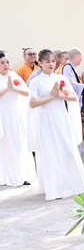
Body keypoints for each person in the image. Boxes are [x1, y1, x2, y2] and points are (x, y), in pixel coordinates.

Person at [29, 49, 84, 200]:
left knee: (67, 149)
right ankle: (54, 189)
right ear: (40, 63)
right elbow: (32, 103)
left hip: (61, 118)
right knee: (50, 153)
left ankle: (73, 185)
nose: (51, 64)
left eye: (53, 61)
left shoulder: (61, 78)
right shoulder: (35, 81)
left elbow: (74, 97)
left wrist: (61, 95)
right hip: (45, 120)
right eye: (47, 61)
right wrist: (52, 96)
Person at [0, 51, 36, 186]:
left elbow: (27, 92)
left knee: (19, 143)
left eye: (7, 62)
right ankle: (7, 176)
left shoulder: (14, 75)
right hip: (3, 113)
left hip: (16, 113)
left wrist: (14, 89)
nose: (6, 65)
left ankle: (21, 175)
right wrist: (7, 89)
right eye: (2, 63)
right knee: (5, 144)